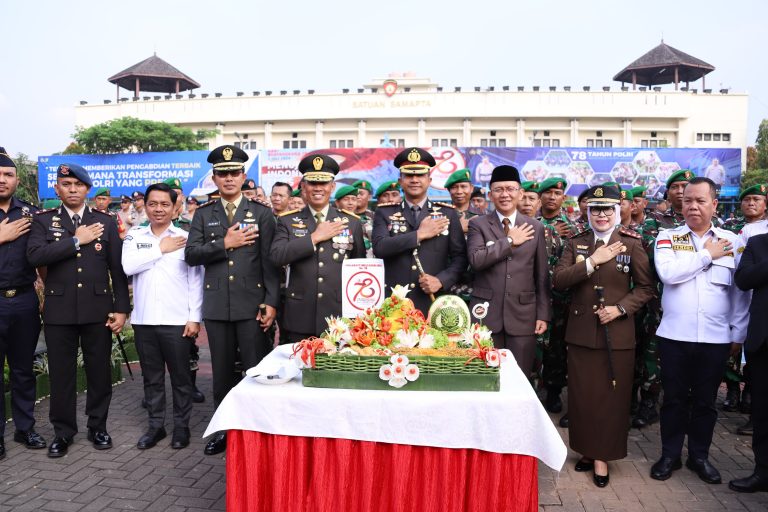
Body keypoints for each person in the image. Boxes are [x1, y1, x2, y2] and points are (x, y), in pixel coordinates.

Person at [553, 185, 654, 487]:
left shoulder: (632, 244)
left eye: (608, 208)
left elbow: (646, 289)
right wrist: (592, 261)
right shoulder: (576, 243)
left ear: (618, 211)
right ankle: (586, 450)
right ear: (587, 212)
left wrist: (620, 309)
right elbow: (559, 280)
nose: (601, 214)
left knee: (612, 398)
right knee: (583, 397)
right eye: (596, 209)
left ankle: (602, 457)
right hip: (582, 331)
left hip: (617, 333)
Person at [650, 177, 749, 484]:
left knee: (706, 401)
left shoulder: (732, 242)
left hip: (716, 337)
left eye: (700, 201)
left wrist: (738, 334)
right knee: (675, 399)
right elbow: (668, 274)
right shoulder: (668, 237)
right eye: (687, 201)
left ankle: (699, 457)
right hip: (675, 336)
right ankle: (670, 455)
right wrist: (707, 255)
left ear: (714, 204)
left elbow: (740, 293)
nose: (692, 206)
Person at [27, 163, 130, 458]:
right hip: (59, 310)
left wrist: (121, 309)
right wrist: (75, 241)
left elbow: (117, 270)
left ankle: (98, 426)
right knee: (62, 375)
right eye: (66, 184)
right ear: (57, 189)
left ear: (87, 188)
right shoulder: (44, 221)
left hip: (98, 309)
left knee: (99, 372)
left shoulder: (106, 221)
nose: (72, 189)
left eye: (78, 185)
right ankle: (63, 432)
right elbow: (34, 256)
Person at [184, 145, 279, 456]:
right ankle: (223, 431)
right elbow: (191, 255)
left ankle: (255, 430)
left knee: (255, 370)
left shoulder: (262, 214)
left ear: (243, 176)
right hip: (217, 305)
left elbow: (270, 263)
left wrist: (271, 301)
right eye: (222, 173)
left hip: (251, 304)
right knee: (222, 374)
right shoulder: (203, 214)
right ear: (214, 178)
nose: (228, 178)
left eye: (234, 173)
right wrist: (223, 243)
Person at [122, 183, 203, 450]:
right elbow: (128, 266)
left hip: (177, 320)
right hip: (145, 321)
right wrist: (160, 249)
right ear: (145, 206)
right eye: (153, 204)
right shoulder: (135, 236)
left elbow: (195, 281)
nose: (159, 209)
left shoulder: (184, 237)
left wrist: (194, 318)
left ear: (175, 207)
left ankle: (182, 427)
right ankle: (155, 426)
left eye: (164, 204)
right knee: (152, 378)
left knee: (181, 379)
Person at [270, 154, 365, 342]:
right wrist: (313, 238)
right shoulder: (288, 220)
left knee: (336, 370)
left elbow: (358, 269)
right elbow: (276, 256)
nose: (318, 188)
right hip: (299, 316)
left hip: (339, 317)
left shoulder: (351, 223)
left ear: (332, 186)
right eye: (312, 183)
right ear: (304, 187)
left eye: (324, 183)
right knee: (296, 371)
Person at [467, 165, 550, 375]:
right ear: (490, 194)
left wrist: (543, 313)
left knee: (520, 376)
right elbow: (476, 260)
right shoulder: (478, 224)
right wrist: (510, 240)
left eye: (510, 189)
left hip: (524, 314)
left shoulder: (535, 227)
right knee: (484, 376)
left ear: (520, 193)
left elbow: (540, 275)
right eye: (498, 189)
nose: (505, 194)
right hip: (485, 314)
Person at [372, 148, 467, 315]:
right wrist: (419, 234)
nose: (414, 180)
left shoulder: (447, 213)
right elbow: (380, 248)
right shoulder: (384, 212)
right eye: (409, 175)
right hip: (394, 304)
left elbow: (460, 258)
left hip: (433, 301)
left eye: (420, 175)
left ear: (429, 180)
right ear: (400, 181)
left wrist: (441, 280)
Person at [0, 148, 46, 459]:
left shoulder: (31, 214)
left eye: (8, 174)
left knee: (22, 369)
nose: (2, 180)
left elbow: (43, 258)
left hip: (24, 301)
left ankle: (25, 427)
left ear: (17, 180)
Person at [720, 183, 768, 425]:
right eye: (747, 199)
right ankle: (734, 391)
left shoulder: (761, 232)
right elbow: (741, 277)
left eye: (756, 199)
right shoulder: (733, 230)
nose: (751, 203)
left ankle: (749, 396)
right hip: (741, 293)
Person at [729, 231, 768, 492]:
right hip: (763, 343)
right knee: (763, 414)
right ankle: (762, 472)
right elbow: (743, 280)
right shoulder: (758, 243)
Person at [537, 177, 574, 423]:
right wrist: (546, 231)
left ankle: (553, 391)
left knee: (557, 347)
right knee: (534, 346)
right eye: (547, 192)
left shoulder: (573, 226)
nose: (552, 197)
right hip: (533, 294)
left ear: (563, 198)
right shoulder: (529, 222)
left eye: (557, 193)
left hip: (561, 297)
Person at [444, 168, 478, 234]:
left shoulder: (483, 215)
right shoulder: (440, 215)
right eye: (454, 187)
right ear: (449, 190)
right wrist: (458, 229)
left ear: (471, 188)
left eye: (463, 186)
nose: (459, 192)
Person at [352, 179, 375, 254]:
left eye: (361, 194)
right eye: (356, 194)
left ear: (369, 197)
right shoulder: (345, 217)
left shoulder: (376, 217)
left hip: (372, 260)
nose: (358, 196)